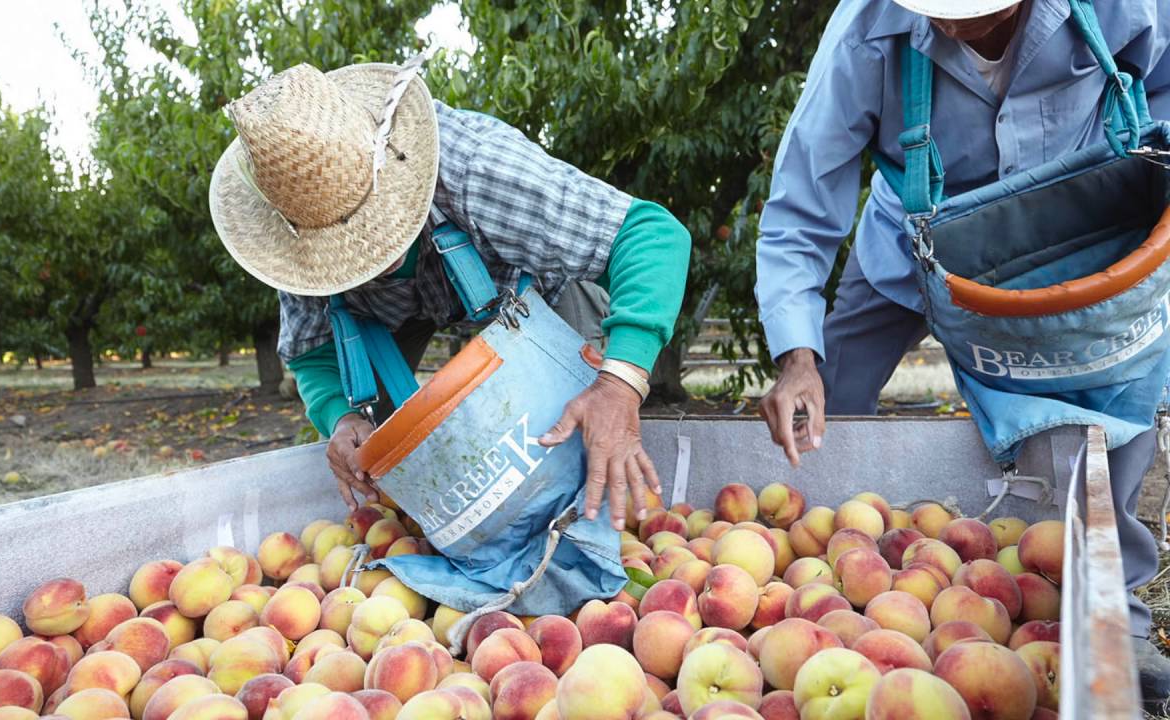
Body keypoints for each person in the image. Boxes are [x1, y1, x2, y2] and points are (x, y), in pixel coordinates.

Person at [753, 0, 1170, 705]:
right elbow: (803, 197)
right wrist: (797, 355)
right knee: (827, 394)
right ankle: (819, 579)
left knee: (1119, 403)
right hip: (917, 245)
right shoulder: (867, 30)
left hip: (1067, 238)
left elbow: (1159, 80)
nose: (948, 22)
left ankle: (1113, 603)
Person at [208, 61, 690, 532]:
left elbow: (650, 236)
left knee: (585, 446)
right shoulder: (290, 233)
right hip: (385, 318)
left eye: (376, 238)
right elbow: (312, 351)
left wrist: (620, 382)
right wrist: (341, 415)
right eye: (347, 254)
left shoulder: (476, 166)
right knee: (378, 460)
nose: (370, 257)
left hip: (529, 284)